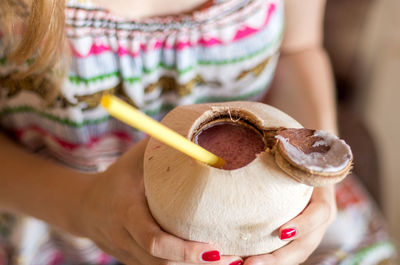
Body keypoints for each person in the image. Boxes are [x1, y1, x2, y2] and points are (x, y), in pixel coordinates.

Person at [0, 0, 397, 264]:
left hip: (273, 216)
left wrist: (315, 184)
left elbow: (298, 50)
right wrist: (83, 207)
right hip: (52, 216)